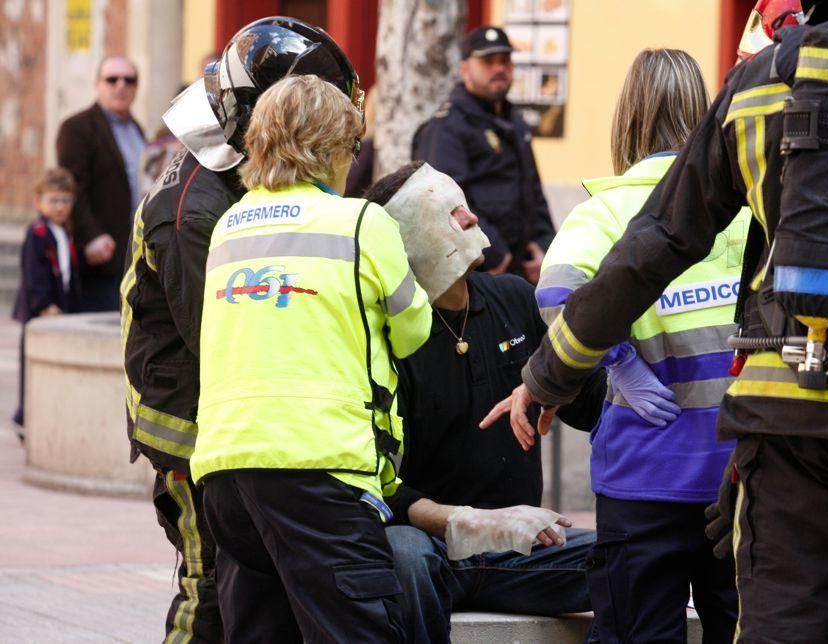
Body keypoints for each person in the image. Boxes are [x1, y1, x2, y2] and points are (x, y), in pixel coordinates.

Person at [488, 1, 828, 641]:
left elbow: (651, 249)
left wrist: (549, 377)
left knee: (778, 624)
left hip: (783, 418)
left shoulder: (761, 84)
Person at [120, 17, 365, 643]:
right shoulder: (193, 215)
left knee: (247, 591)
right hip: (189, 426)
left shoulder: (234, 178)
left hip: (232, 423)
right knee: (207, 589)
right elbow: (226, 336)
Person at [192, 73, 431, 643]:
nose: (353, 160)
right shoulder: (360, 223)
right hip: (318, 470)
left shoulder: (228, 225)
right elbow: (414, 328)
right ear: (328, 147)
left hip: (228, 473)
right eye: (351, 147)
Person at [515, 49, 743, 643]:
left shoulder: (605, 211)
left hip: (643, 475)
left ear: (627, 118)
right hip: (741, 475)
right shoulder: (740, 207)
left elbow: (557, 290)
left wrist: (621, 364)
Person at [365, 160, 605, 644]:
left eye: (465, 208)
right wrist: (469, 522)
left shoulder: (515, 298)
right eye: (450, 214)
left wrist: (585, 355)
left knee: (634, 554)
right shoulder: (385, 334)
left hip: (524, 551)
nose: (472, 220)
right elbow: (378, 483)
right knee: (401, 553)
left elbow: (591, 407)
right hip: (432, 546)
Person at [412, 26, 555, 284]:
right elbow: (443, 202)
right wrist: (496, 255)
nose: (499, 68)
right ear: (464, 68)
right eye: (488, 61)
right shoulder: (447, 127)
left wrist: (548, 250)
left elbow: (533, 191)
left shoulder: (514, 122)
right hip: (480, 273)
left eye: (505, 60)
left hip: (522, 272)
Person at [57, 56, 145, 312]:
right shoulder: (77, 127)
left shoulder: (137, 130)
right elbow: (73, 187)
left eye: (129, 80)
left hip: (132, 250)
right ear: (97, 84)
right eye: (112, 79)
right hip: (100, 252)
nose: (121, 85)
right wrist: (91, 235)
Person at [11, 168, 82, 435]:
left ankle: (42, 415)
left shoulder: (65, 232)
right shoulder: (38, 232)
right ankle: (23, 417)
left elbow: (68, 271)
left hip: (61, 308)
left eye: (65, 200)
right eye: (54, 200)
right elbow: (34, 273)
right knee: (31, 365)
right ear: (38, 201)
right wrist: (43, 305)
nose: (60, 206)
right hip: (39, 311)